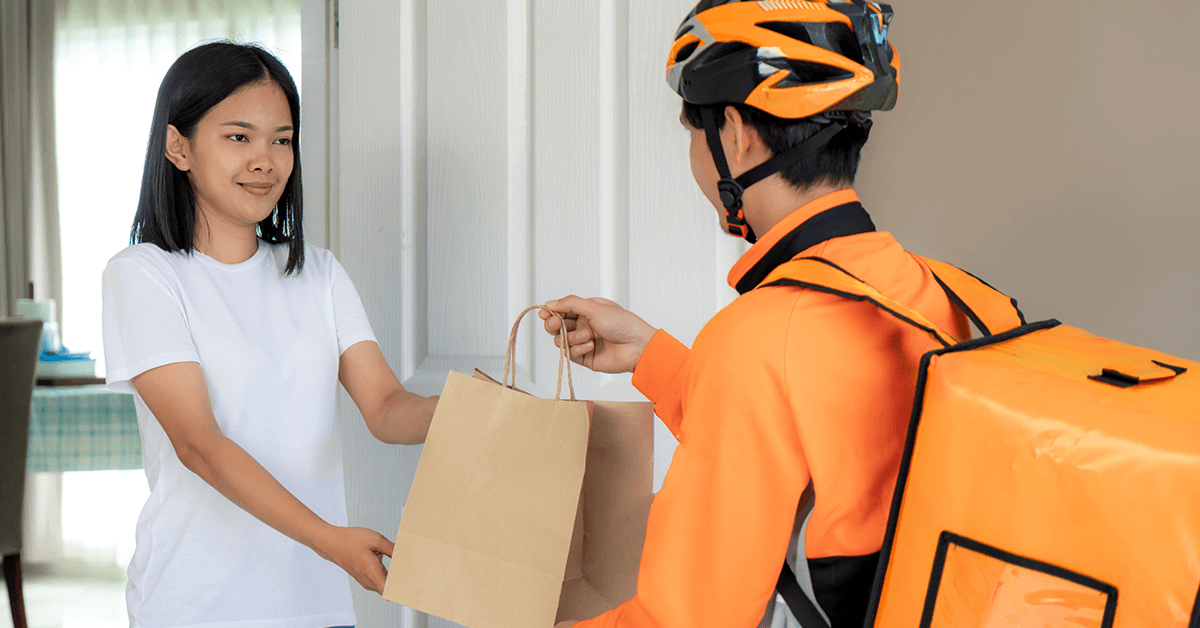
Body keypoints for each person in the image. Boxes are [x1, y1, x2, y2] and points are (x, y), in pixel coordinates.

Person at [543, 2, 969, 627]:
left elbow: (688, 619)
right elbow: (815, 443)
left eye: (692, 129)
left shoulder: (760, 338)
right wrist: (651, 356)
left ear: (736, 133)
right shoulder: (941, 294)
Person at [101, 42, 437, 628]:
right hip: (197, 605)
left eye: (281, 139)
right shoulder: (143, 275)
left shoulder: (319, 273)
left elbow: (387, 409)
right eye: (239, 137)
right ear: (179, 147)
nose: (266, 160)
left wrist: (488, 409)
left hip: (317, 605)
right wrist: (330, 540)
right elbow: (199, 444)